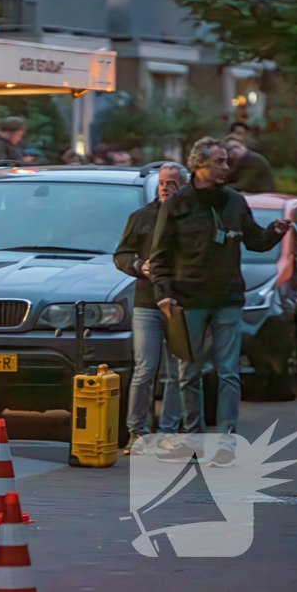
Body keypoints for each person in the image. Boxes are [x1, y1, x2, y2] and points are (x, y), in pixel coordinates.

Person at [150, 138, 291, 467]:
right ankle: (194, 437)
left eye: (227, 162)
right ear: (200, 165)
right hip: (188, 299)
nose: (226, 168)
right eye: (220, 162)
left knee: (229, 372)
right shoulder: (177, 204)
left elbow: (254, 241)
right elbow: (159, 257)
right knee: (188, 373)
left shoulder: (234, 201)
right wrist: (165, 295)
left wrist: (275, 231)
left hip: (227, 297)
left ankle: (227, 440)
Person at [114, 163, 187, 454]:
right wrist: (136, 265)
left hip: (181, 303)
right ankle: (137, 432)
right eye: (162, 182)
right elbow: (120, 254)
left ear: (184, 185)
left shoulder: (191, 218)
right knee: (144, 369)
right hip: (147, 302)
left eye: (172, 182)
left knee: (176, 371)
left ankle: (168, 432)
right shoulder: (142, 217)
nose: (165, 187)